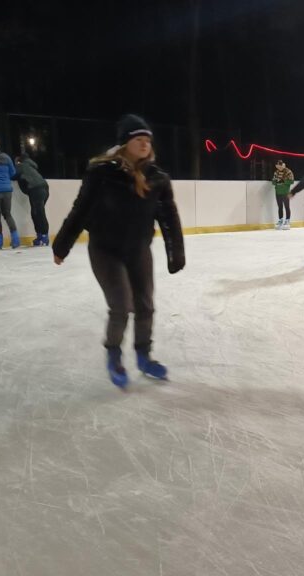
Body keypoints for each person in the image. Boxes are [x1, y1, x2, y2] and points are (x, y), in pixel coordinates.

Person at [52, 114, 185, 389]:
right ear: (125, 144)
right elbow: (81, 209)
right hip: (106, 251)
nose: (145, 144)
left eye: (148, 139)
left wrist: (176, 253)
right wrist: (62, 245)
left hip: (138, 251)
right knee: (121, 306)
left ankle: (144, 355)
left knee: (146, 306)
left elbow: (169, 217)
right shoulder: (101, 174)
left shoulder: (157, 178)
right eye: (138, 139)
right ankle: (114, 354)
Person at [15, 153, 51, 246]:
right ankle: (40, 235)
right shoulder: (31, 166)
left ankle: (44, 236)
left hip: (35, 189)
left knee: (39, 213)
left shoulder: (21, 166)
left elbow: (13, 174)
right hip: (44, 188)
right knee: (36, 213)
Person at [272, 160, 294, 230]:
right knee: (280, 207)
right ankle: (280, 220)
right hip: (278, 192)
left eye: (280, 166)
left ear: (283, 165)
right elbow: (273, 182)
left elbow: (292, 181)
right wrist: (276, 182)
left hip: (285, 192)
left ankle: (287, 221)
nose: (279, 167)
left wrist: (283, 181)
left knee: (287, 206)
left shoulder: (288, 171)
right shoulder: (276, 172)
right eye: (278, 166)